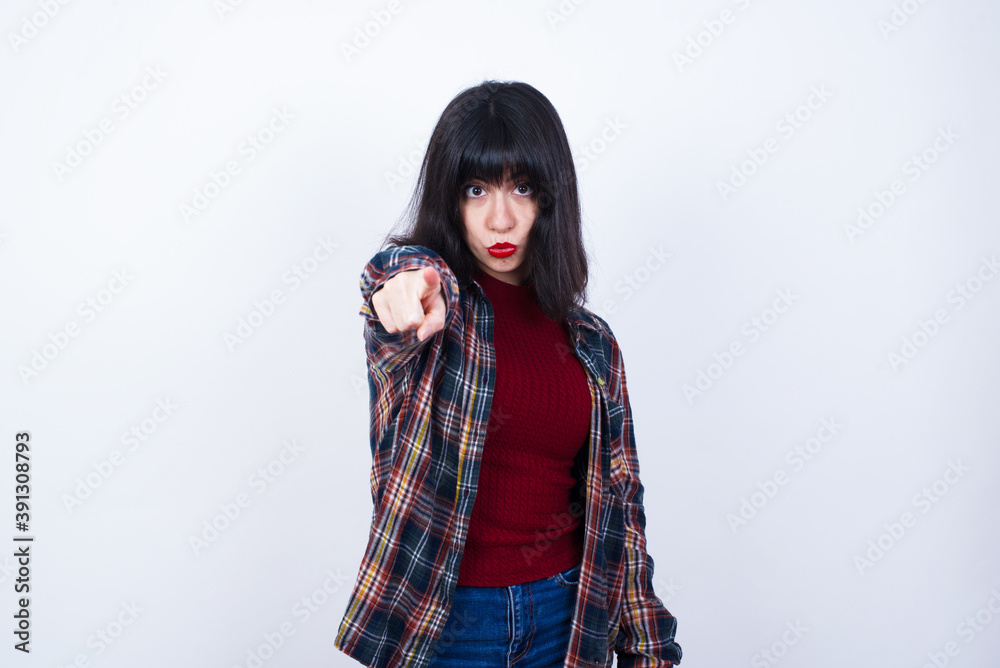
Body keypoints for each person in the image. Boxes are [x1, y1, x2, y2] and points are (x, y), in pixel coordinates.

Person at [335, 80, 682, 668]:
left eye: (521, 187)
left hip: (567, 619)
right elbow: (395, 277)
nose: (500, 218)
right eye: (476, 190)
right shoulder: (435, 314)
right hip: (449, 624)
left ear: (551, 197)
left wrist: (649, 648)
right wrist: (403, 285)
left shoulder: (592, 343)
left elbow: (622, 506)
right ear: (450, 201)